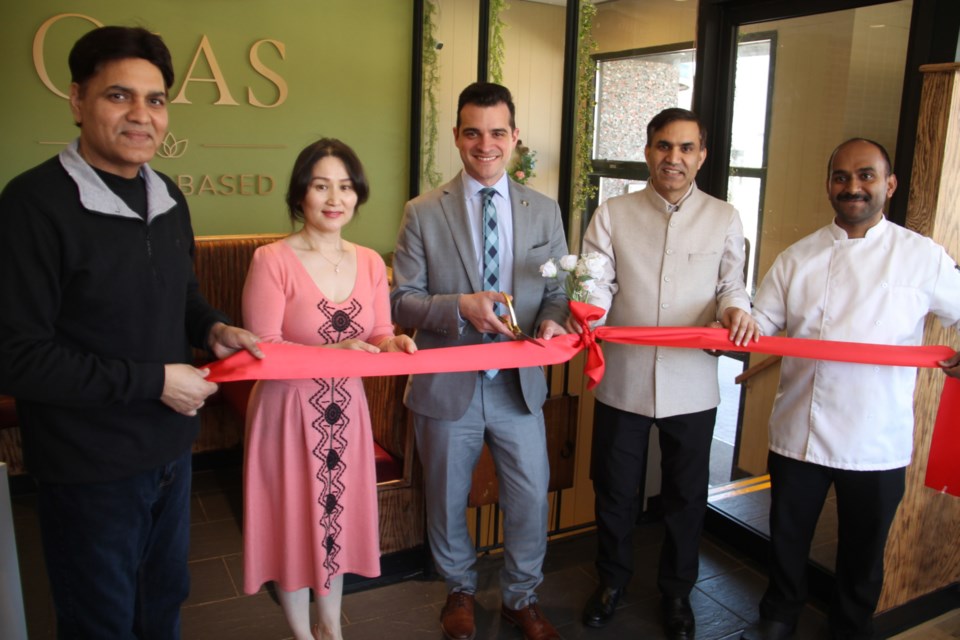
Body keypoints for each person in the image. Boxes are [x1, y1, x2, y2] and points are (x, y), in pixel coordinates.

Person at [0, 26, 263, 639]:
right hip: (88, 466)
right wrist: (154, 382)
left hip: (170, 451)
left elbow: (182, 295)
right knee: (101, 621)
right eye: (119, 97)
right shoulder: (31, 205)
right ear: (76, 101)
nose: (141, 115)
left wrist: (214, 328)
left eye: (156, 99)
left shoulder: (166, 193)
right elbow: (18, 357)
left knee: (163, 603)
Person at [741, 138, 960, 640]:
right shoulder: (798, 257)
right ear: (829, 185)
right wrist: (731, 323)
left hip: (877, 437)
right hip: (802, 430)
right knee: (788, 539)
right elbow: (761, 321)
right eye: (841, 177)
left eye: (865, 176)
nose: (852, 187)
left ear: (889, 184)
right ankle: (778, 616)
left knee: (864, 552)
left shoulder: (922, 256)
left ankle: (849, 627)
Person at [390, 82, 569, 640]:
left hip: (519, 386)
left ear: (514, 137)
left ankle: (521, 596)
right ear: (457, 137)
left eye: (497, 132)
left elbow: (559, 289)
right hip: (447, 383)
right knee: (445, 500)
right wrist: (459, 307)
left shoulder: (544, 211)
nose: (484, 144)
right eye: (473, 132)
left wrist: (553, 318)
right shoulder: (423, 211)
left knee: (529, 499)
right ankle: (459, 590)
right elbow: (400, 302)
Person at [578, 107, 759, 640]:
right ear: (648, 150)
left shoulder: (725, 217)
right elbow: (596, 282)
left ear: (701, 154)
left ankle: (678, 594)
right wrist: (586, 312)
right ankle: (610, 582)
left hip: (692, 383)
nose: (672, 158)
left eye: (685, 148)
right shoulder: (613, 213)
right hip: (623, 379)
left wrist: (735, 311)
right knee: (614, 489)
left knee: (685, 495)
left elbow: (731, 286)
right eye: (663, 146)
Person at [241, 138, 416, 640]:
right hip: (287, 412)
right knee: (295, 526)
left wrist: (395, 343)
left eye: (344, 186)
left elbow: (379, 332)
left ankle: (331, 627)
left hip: (347, 411)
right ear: (301, 195)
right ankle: (303, 634)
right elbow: (264, 349)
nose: (334, 197)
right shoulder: (271, 259)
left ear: (357, 195)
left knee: (333, 524)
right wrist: (334, 354)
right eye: (321, 186)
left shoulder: (366, 261)